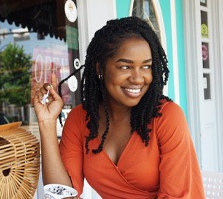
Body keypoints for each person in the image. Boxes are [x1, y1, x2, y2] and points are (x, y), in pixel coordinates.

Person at [34, 16, 205, 198]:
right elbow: (63, 195)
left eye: (146, 67)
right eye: (125, 67)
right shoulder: (81, 119)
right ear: (100, 68)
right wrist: (47, 123)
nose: (138, 78)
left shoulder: (166, 117)